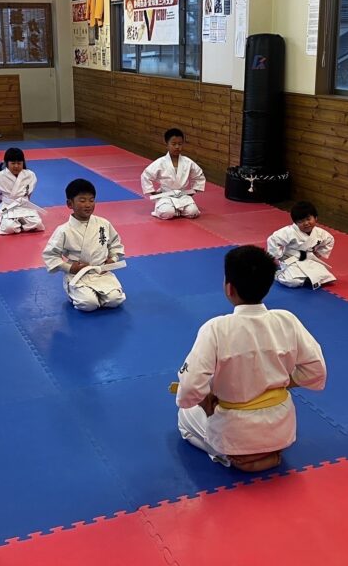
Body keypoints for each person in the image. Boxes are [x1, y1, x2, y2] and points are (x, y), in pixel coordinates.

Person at [176, 245, 327, 472]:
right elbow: (316, 371)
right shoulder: (287, 320)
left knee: (184, 415)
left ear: (229, 288)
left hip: (236, 433)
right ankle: (269, 450)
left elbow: (189, 389)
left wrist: (206, 404)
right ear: (268, 285)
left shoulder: (216, 328)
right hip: (282, 431)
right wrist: (278, 384)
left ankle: (233, 457)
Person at [42, 178, 126, 312]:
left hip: (101, 272)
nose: (88, 205)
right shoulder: (64, 230)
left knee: (115, 300)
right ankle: (72, 291)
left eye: (91, 200)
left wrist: (113, 258)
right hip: (78, 274)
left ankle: (98, 295)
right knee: (88, 304)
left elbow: (115, 244)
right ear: (70, 204)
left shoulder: (103, 223)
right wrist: (69, 267)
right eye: (82, 201)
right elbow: (50, 255)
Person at [266, 201, 336, 289]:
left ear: (315, 218)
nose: (306, 223)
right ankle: (278, 275)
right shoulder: (289, 231)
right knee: (293, 282)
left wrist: (319, 253)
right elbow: (272, 240)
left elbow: (330, 240)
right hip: (291, 260)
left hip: (309, 259)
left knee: (326, 278)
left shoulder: (320, 233)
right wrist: (279, 256)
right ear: (295, 222)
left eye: (308, 219)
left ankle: (305, 277)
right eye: (301, 221)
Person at [140, 128, 206, 220]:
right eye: (174, 144)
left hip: (182, 195)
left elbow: (199, 175)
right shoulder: (160, 162)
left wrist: (193, 190)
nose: (177, 147)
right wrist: (153, 192)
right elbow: (146, 175)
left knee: (193, 212)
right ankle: (170, 210)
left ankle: (177, 211)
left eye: (180, 144)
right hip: (165, 195)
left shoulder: (187, 162)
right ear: (167, 145)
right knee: (167, 212)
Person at [0, 147, 45, 234]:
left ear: (23, 163)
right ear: (6, 163)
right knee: (9, 228)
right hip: (8, 205)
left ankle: (20, 223)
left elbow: (30, 189)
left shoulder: (29, 174)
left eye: (19, 163)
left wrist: (27, 200)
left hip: (23, 204)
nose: (16, 166)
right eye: (13, 163)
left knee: (38, 224)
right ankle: (17, 223)